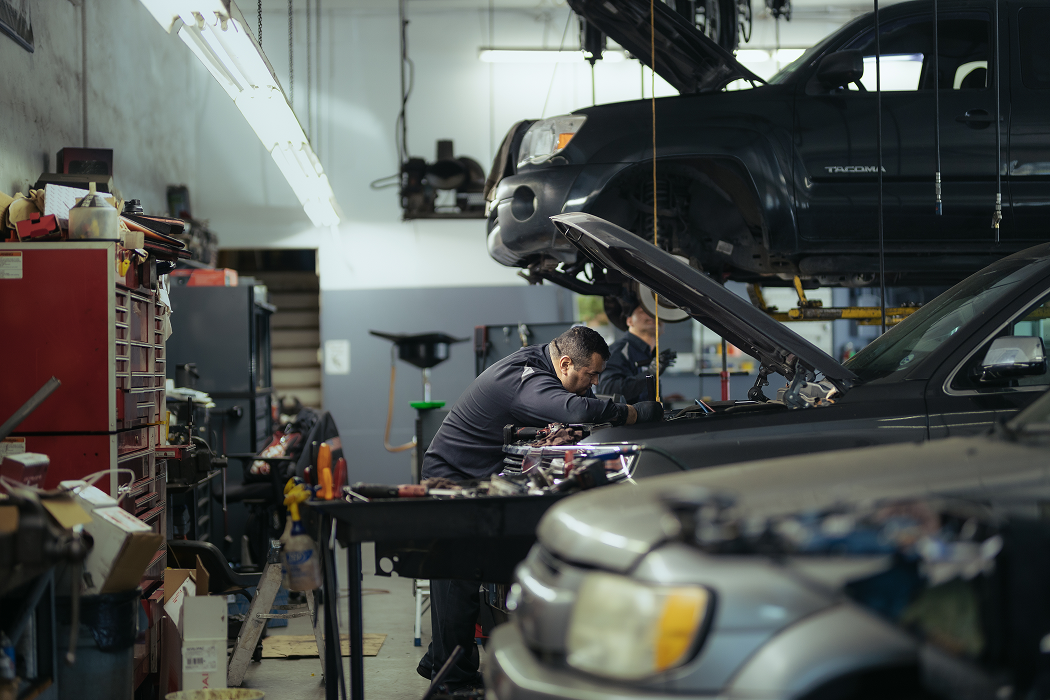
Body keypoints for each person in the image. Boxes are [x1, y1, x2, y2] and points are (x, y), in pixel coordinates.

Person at [416, 325, 664, 690]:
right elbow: (575, 408)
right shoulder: (525, 377)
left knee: (464, 575)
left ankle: (442, 661)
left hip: (475, 475)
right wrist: (633, 414)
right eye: (590, 375)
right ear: (565, 363)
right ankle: (452, 681)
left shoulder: (539, 363)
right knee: (460, 575)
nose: (593, 384)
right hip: (453, 479)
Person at [598, 300, 677, 403]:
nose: (652, 314)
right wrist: (649, 374)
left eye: (656, 311)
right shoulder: (619, 350)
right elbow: (608, 391)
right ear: (629, 321)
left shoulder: (650, 354)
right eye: (644, 310)